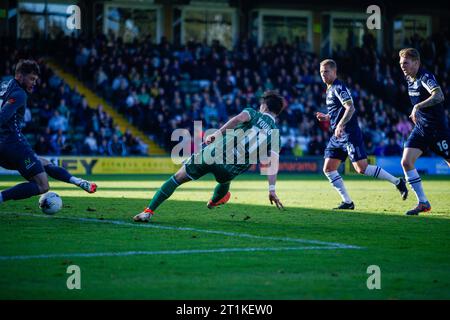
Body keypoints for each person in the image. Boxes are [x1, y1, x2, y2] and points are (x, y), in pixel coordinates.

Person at [133, 90, 285, 222]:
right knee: (225, 181)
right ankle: (214, 201)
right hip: (230, 169)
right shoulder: (276, 135)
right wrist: (272, 189)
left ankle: (148, 212)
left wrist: (217, 133)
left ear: (264, 106)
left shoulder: (252, 113)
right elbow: (273, 162)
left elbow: (239, 118)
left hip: (212, 154)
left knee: (177, 178)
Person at [0, 60, 97, 206]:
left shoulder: (4, 86)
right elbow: (2, 117)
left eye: (36, 79)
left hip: (4, 148)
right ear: (19, 76)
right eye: (32, 79)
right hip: (14, 146)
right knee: (42, 186)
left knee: (42, 161)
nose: (34, 83)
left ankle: (78, 181)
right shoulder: (20, 94)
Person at [315, 59, 408, 210]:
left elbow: (350, 108)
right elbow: (338, 110)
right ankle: (347, 202)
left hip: (349, 133)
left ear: (334, 72)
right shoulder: (329, 89)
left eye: (326, 71)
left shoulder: (339, 87)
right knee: (328, 168)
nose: (323, 75)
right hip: (338, 135)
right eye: (321, 72)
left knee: (361, 168)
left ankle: (398, 182)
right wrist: (328, 117)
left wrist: (340, 124)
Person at [398, 48, 449, 215]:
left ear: (416, 62)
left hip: (437, 130)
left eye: (405, 63)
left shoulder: (425, 76)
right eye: (400, 63)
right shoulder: (409, 78)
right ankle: (423, 202)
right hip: (421, 129)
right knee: (406, 162)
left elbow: (439, 95)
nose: (402, 66)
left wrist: (418, 106)